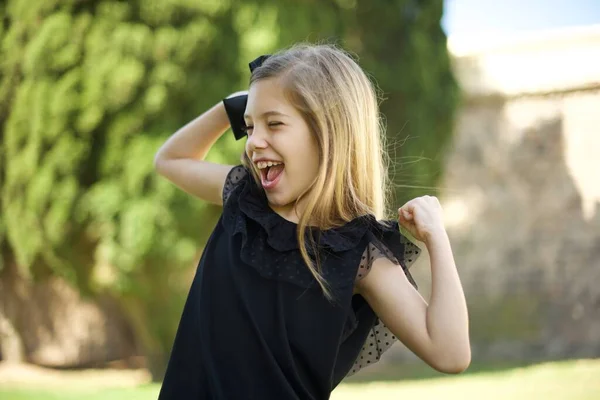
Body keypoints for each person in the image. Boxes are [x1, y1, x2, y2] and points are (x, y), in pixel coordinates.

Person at [154, 43, 470, 400]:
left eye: (274, 124)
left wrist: (437, 237)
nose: (254, 141)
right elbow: (170, 160)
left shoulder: (358, 255)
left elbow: (450, 353)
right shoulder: (244, 198)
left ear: (327, 132)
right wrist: (233, 106)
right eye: (249, 126)